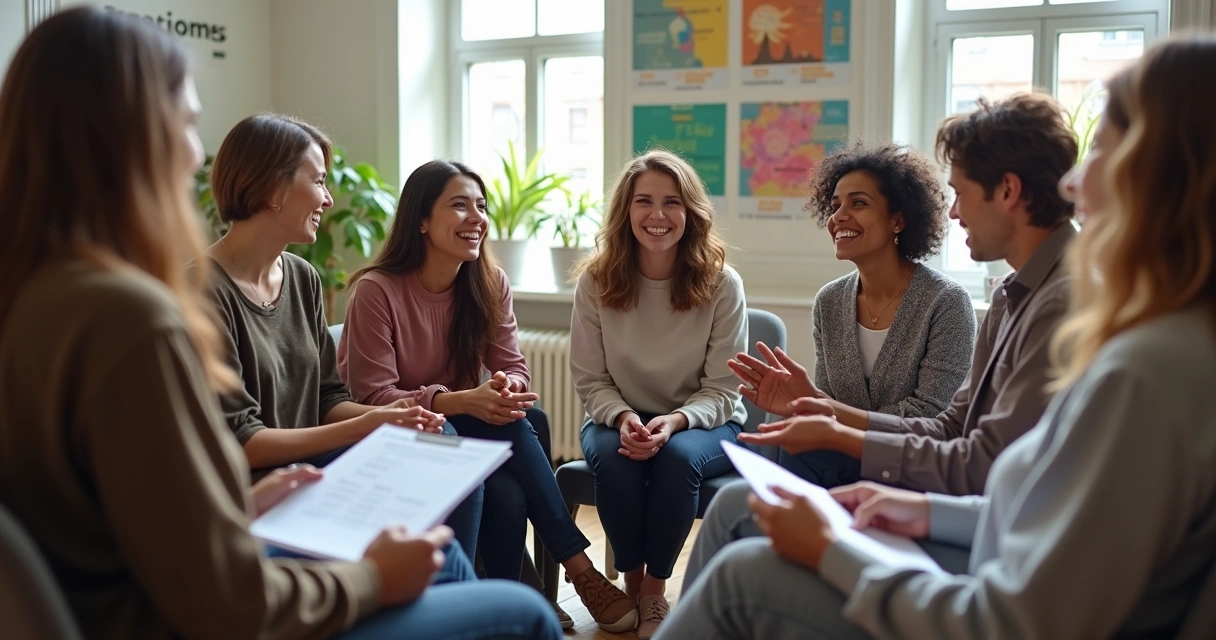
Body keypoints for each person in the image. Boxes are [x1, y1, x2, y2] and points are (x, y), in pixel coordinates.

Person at [0, 7, 560, 640]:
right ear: (130, 136)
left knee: (448, 543)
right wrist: (372, 578)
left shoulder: (42, 297)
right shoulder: (137, 318)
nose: (194, 157)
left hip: (162, 582)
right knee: (525, 614)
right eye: (186, 123)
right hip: (179, 616)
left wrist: (238, 509)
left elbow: (125, 518)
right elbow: (223, 595)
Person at [656, 34, 1216, 639]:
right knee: (750, 494)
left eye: (1101, 150)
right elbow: (978, 450)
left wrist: (837, 527)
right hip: (958, 515)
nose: (1075, 184)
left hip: (974, 577)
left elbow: (992, 499)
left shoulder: (1119, 346)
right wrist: (904, 495)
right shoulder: (1014, 297)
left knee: (745, 564)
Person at [338, 159, 636, 632]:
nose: (476, 217)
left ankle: (512, 599)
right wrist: (458, 401)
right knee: (474, 445)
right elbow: (374, 397)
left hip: (459, 422)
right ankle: (568, 574)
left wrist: (506, 386)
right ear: (421, 219)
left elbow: (513, 365)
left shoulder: (489, 283)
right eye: (459, 205)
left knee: (513, 450)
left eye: (481, 206)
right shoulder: (377, 291)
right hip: (394, 437)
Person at [201, 113, 482, 557]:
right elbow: (242, 443)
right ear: (274, 190)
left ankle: (447, 594)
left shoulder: (301, 276)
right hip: (257, 490)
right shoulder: (203, 290)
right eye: (318, 182)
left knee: (439, 437)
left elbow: (327, 399)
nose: (329, 199)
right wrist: (369, 422)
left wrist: (398, 411)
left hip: (310, 467)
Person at [570, 149, 748, 638]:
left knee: (674, 459)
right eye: (644, 201)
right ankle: (628, 579)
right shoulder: (597, 280)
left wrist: (674, 422)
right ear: (625, 211)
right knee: (618, 456)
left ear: (690, 212)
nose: (658, 215)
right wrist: (625, 417)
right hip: (617, 416)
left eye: (672, 202)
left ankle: (652, 590)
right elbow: (591, 379)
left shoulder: (721, 284)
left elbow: (722, 387)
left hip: (707, 422)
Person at [729, 141, 975, 487]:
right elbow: (829, 405)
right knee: (788, 436)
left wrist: (820, 406)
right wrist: (808, 405)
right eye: (834, 205)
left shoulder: (947, 302)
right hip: (841, 460)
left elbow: (930, 419)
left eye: (858, 203)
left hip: (910, 468)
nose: (838, 216)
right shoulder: (829, 302)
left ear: (899, 220)